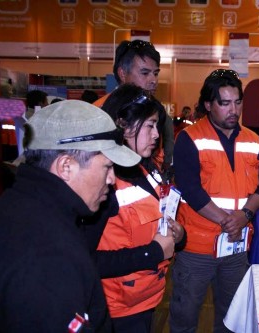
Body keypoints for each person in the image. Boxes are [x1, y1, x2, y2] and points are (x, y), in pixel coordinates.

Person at [0, 100, 141, 332]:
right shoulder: (48, 257)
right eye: (107, 167)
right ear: (66, 167)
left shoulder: (14, 207)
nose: (111, 180)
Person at [170, 69, 259, 332]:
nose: (233, 110)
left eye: (237, 102)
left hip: (236, 249)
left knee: (232, 316)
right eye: (224, 103)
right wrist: (229, 222)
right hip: (197, 248)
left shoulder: (253, 139)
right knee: (185, 315)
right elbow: (191, 190)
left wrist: (244, 217)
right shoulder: (189, 139)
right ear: (208, 104)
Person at [94, 83, 186, 333]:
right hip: (116, 310)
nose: (156, 135)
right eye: (149, 125)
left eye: (156, 125)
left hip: (145, 298)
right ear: (122, 125)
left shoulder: (145, 169)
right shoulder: (102, 181)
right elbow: (89, 259)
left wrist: (178, 235)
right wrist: (154, 251)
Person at [94, 39, 174, 175]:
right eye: (145, 73)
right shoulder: (99, 112)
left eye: (155, 73)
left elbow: (161, 156)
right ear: (122, 74)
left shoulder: (158, 111)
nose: (153, 80)